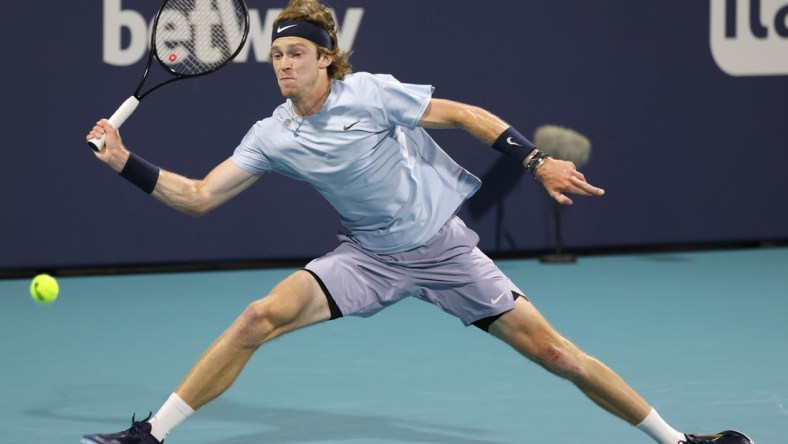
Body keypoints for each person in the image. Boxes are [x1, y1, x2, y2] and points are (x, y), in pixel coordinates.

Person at [82, 1, 753, 443]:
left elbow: (464, 115)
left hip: (443, 250)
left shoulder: (368, 93)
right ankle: (151, 434)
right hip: (368, 258)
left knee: (556, 354)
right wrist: (123, 162)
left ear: (325, 58)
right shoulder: (273, 134)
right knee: (258, 317)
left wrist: (536, 160)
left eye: (295, 54)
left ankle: (680, 440)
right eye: (276, 56)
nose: (283, 64)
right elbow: (199, 196)